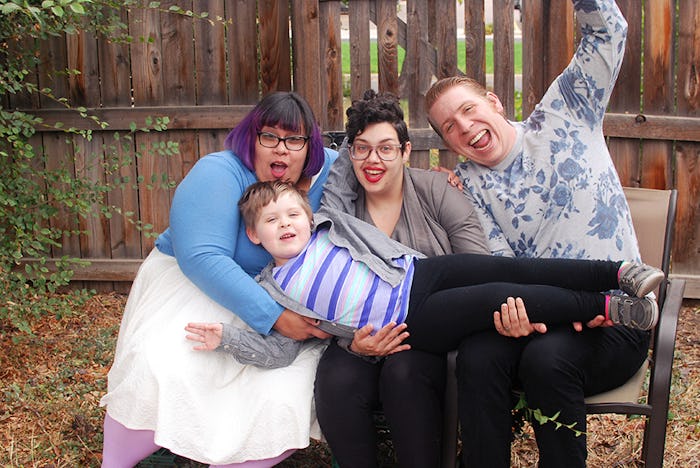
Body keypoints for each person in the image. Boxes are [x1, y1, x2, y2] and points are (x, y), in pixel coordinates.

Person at [425, 1, 645, 466]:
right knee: (478, 355)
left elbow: (608, 32)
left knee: (547, 361)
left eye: (469, 109)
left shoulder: (565, 113)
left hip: (619, 318)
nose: (465, 127)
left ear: (495, 103)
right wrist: (516, 311)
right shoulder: (469, 189)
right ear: (448, 144)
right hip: (545, 317)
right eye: (450, 127)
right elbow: (504, 268)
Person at [183, 180, 662, 369]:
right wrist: (225, 338)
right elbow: (279, 351)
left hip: (419, 273)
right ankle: (613, 308)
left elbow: (350, 163)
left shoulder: (332, 225)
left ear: (309, 218)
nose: (285, 224)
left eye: (292, 214)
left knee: (510, 266)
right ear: (253, 235)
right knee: (502, 293)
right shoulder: (271, 290)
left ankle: (617, 272)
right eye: (271, 220)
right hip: (411, 319)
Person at [99, 91, 339, 468]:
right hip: (197, 287)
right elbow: (202, 258)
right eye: (270, 136)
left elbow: (382, 171)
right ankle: (117, 462)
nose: (282, 150)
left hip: (287, 294)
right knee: (166, 364)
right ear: (251, 137)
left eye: (294, 139)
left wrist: (443, 183)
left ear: (310, 146)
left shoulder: (330, 172)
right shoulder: (218, 172)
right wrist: (275, 316)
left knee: (283, 389)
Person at [313, 89, 490, 468]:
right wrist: (353, 343)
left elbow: (479, 267)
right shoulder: (344, 213)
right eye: (361, 148)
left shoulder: (437, 191)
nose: (373, 160)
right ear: (350, 154)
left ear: (406, 151)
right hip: (361, 336)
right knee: (336, 379)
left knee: (404, 372)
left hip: (430, 338)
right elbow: (325, 285)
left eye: (386, 148)